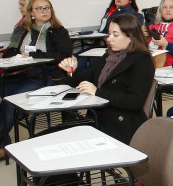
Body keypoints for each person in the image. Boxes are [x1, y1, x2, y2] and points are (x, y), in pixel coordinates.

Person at [0, 0, 74, 151]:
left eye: (47, 8)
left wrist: (34, 55)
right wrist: (16, 57)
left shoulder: (58, 31)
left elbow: (63, 55)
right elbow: (9, 53)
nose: (44, 11)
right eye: (39, 8)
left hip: (44, 75)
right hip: (18, 73)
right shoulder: (21, 30)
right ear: (31, 12)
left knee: (11, 102)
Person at [57, 14, 154, 144]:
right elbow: (86, 78)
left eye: (115, 35)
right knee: (46, 138)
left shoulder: (142, 61)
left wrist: (98, 92)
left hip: (120, 125)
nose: (109, 39)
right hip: (97, 119)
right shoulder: (109, 56)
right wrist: (72, 71)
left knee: (61, 142)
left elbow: (134, 102)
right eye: (109, 34)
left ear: (130, 36)